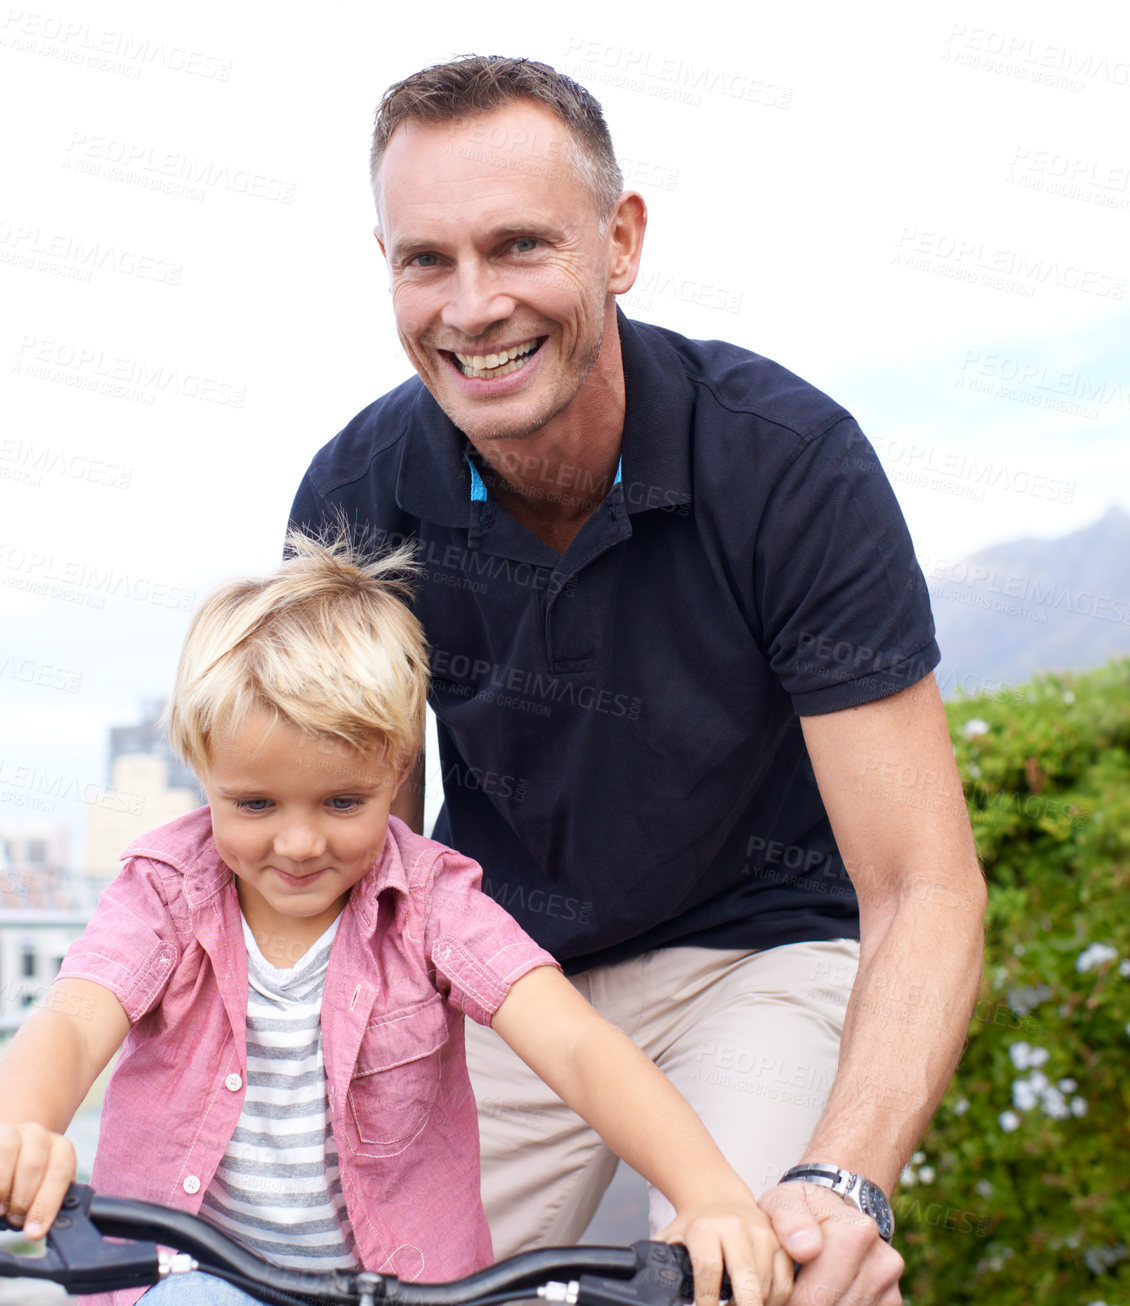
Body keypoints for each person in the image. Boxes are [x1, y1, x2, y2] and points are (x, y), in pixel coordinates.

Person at [286, 55, 987, 1306]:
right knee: (347, 1285)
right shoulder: (354, 498)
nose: (472, 305)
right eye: (426, 260)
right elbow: (362, 874)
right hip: (503, 975)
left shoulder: (793, 466)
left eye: (518, 246)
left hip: (759, 955)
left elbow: (922, 884)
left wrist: (847, 1180)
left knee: (756, 1280)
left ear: (620, 241)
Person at [0, 532, 792, 1306]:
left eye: (343, 801)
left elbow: (575, 1044)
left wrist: (709, 1192)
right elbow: (71, 1020)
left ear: (396, 770)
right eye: (253, 802)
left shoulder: (431, 904)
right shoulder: (165, 894)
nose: (297, 841)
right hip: (191, 1282)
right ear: (200, 768)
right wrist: (20, 1127)